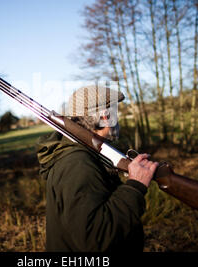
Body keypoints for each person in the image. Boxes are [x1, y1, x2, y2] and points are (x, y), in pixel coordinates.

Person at [36, 85, 158, 252]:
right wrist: (135, 186)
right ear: (106, 117)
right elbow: (96, 238)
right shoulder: (78, 164)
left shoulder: (82, 154)